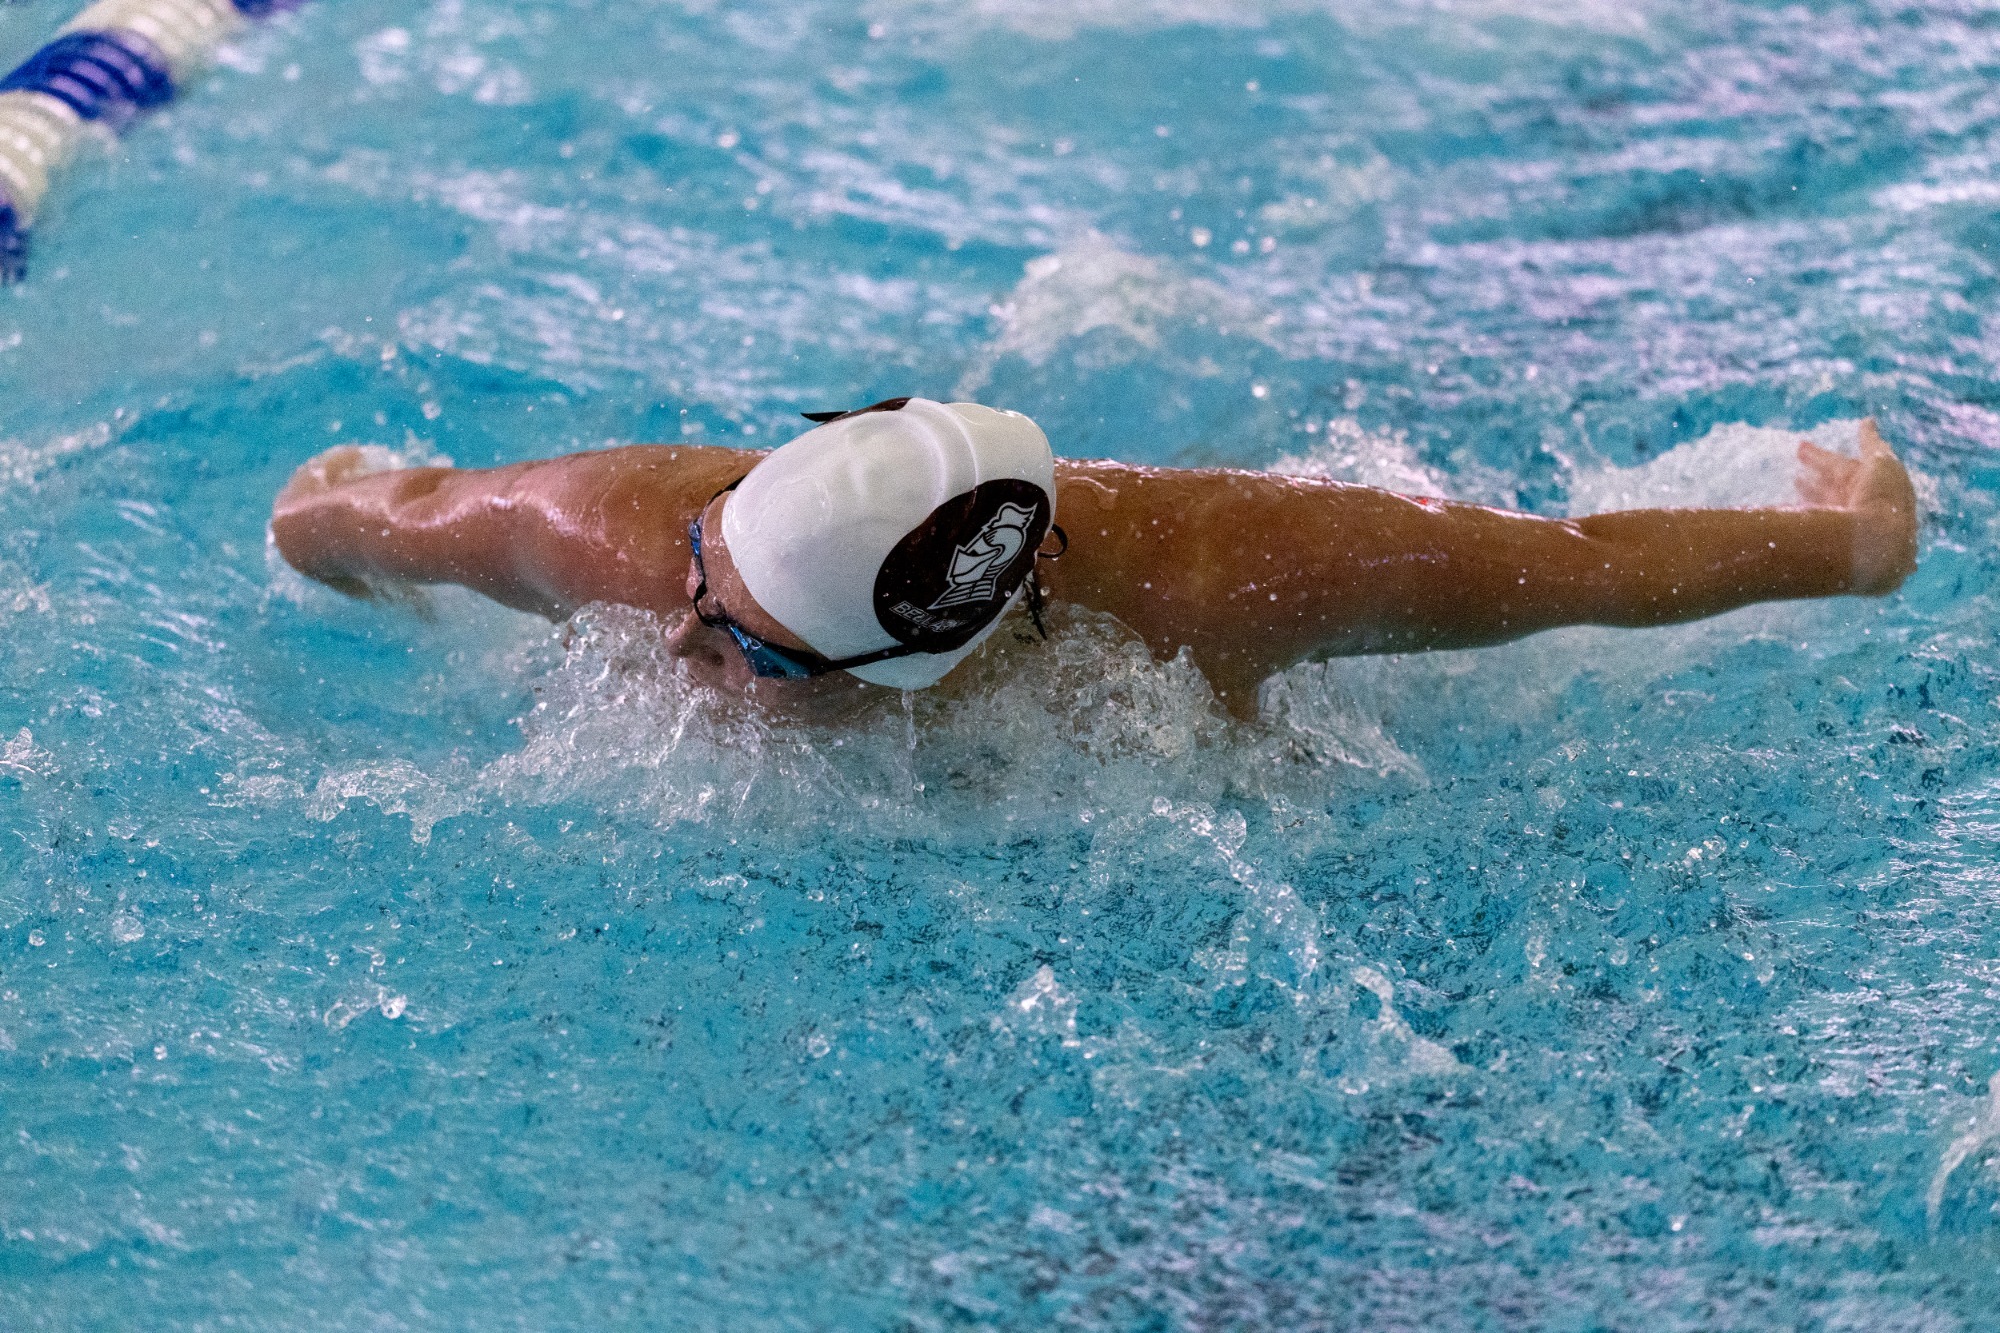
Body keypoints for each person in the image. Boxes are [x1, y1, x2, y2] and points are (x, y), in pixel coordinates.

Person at [269, 396, 1918, 719]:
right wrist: (324, 519)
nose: (685, 653)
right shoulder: (616, 534)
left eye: (757, 658)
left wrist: (1855, 541)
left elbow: (1594, 565)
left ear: (928, 670)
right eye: (711, 598)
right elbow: (353, 515)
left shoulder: (1224, 581)